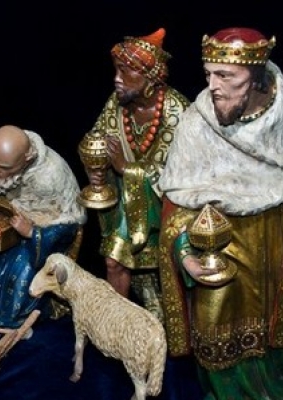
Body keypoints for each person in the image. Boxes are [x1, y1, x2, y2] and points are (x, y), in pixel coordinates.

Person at [158, 27, 283, 399]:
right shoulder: (196, 124)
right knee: (216, 338)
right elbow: (176, 203)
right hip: (220, 250)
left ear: (255, 78)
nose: (213, 87)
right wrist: (186, 256)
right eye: (209, 74)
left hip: (278, 245)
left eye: (226, 76)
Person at [83, 27, 189, 322]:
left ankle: (133, 319)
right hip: (127, 201)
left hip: (165, 208)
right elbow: (94, 138)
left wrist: (125, 168)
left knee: (123, 261)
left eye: (125, 72)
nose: (116, 79)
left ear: (150, 78)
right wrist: (96, 165)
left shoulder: (176, 112)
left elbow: (178, 177)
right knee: (114, 260)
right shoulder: (117, 103)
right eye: (116, 70)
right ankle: (116, 326)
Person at [0, 125, 87, 331]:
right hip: (3, 236)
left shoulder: (51, 177)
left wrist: (31, 232)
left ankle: (11, 319)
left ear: (27, 159)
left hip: (35, 247)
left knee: (20, 273)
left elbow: (67, 228)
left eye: (4, 168)